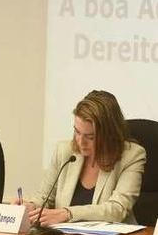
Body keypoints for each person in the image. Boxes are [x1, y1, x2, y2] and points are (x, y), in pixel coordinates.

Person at [25, 90, 146, 225]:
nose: (80, 142)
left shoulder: (132, 156)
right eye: (77, 132)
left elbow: (117, 210)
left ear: (110, 134)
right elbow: (44, 198)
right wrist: (30, 207)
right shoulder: (64, 151)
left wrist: (68, 213)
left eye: (90, 137)